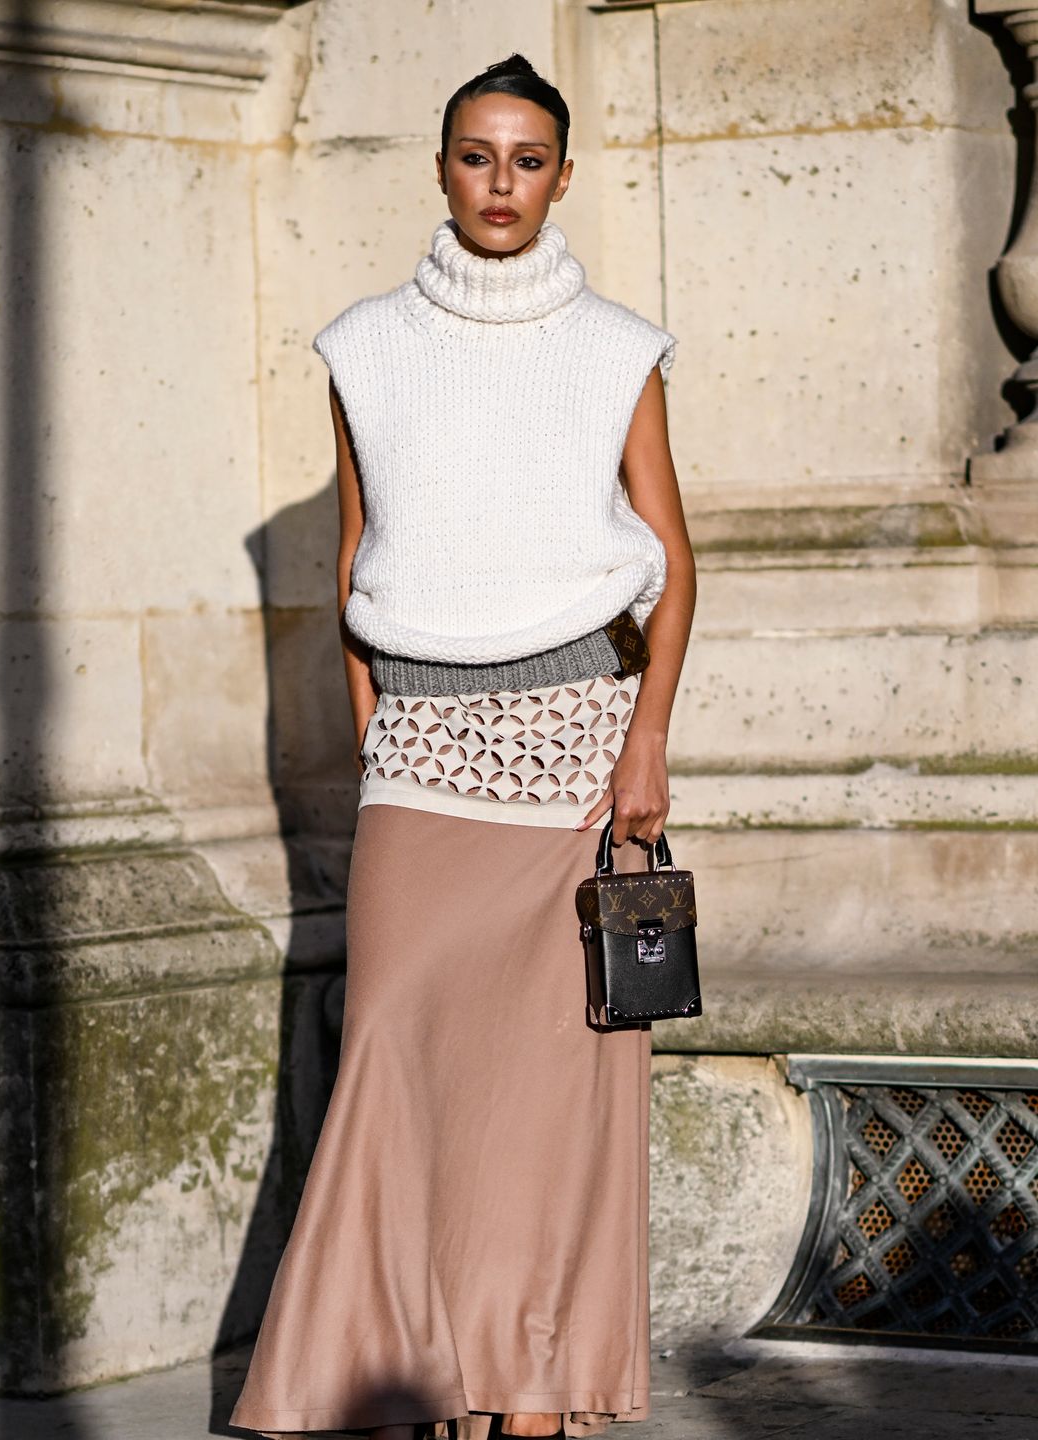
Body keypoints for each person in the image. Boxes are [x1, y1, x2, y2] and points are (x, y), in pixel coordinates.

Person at [230, 51, 696, 1440]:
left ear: (563, 174)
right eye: (478, 156)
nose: (503, 183)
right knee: (396, 1059)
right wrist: (385, 745)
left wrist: (646, 746)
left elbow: (674, 563)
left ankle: (531, 1386)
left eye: (530, 158)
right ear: (441, 169)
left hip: (576, 753)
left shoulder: (620, 350)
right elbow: (355, 559)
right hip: (424, 764)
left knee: (551, 1097)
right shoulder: (362, 346)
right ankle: (425, 1375)